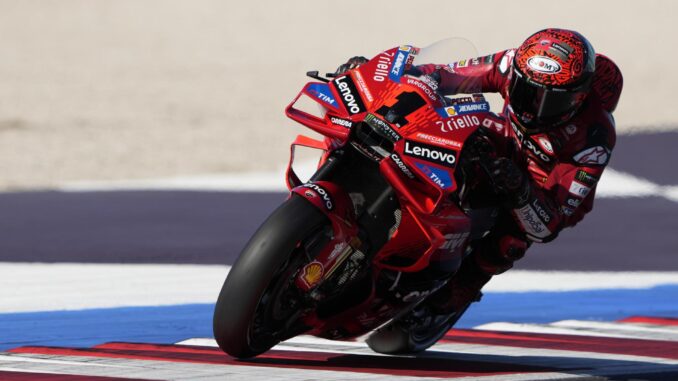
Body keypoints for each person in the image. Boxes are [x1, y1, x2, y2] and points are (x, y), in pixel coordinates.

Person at [343, 28, 624, 349]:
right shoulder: (510, 64)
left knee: (511, 240)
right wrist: (375, 80)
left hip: (541, 191)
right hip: (502, 140)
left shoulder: (594, 138)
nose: (534, 106)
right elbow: (440, 75)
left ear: (578, 98)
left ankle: (448, 300)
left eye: (552, 100)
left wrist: (520, 189)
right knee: (427, 120)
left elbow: (549, 224)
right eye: (526, 90)